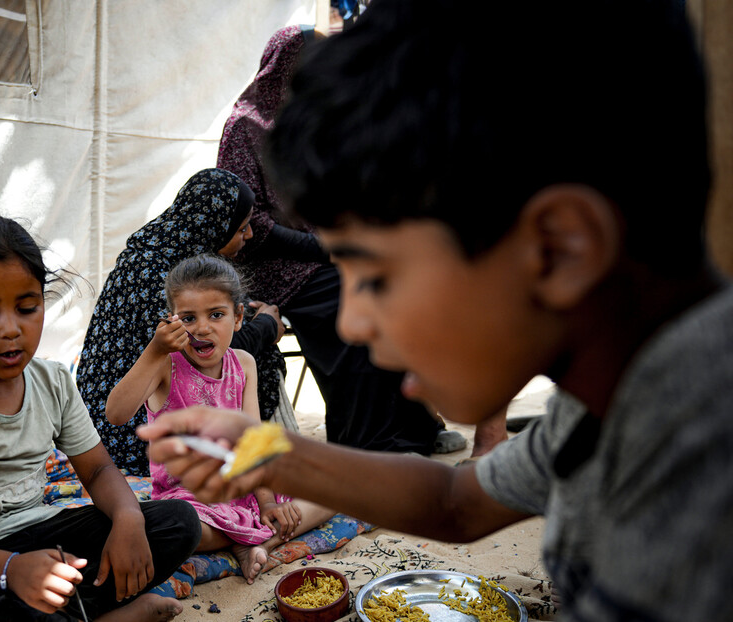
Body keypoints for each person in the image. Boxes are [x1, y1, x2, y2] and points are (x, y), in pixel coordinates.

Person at [139, 0, 732, 619]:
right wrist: (263, 449)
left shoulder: (699, 467)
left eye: (378, 275)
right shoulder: (602, 407)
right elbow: (455, 502)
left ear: (558, 249)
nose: (353, 322)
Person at [0, 216, 201, 622]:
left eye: (27, 308)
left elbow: (99, 467)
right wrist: (10, 570)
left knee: (177, 523)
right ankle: (103, 615)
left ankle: (68, 613)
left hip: (40, 531)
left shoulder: (52, 381)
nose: (12, 329)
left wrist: (128, 518)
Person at [217, 24, 465, 456]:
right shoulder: (245, 125)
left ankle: (411, 428)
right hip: (278, 264)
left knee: (392, 291)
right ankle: (364, 444)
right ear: (285, 68)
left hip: (324, 253)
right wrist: (318, 247)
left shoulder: (310, 121)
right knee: (346, 305)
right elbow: (245, 218)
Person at [106, 255, 334, 584]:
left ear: (238, 317)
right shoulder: (165, 365)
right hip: (191, 500)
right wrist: (153, 351)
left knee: (328, 490)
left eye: (216, 315)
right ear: (172, 321)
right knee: (177, 527)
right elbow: (115, 414)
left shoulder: (243, 364)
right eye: (188, 317)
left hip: (246, 489)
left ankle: (258, 541)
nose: (201, 327)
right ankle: (252, 539)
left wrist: (268, 503)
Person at [77, 168, 291, 476]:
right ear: (214, 227)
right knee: (264, 356)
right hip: (137, 433)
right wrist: (267, 327)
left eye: (218, 313)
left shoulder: (162, 254)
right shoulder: (156, 273)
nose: (249, 235)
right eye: (241, 227)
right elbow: (205, 349)